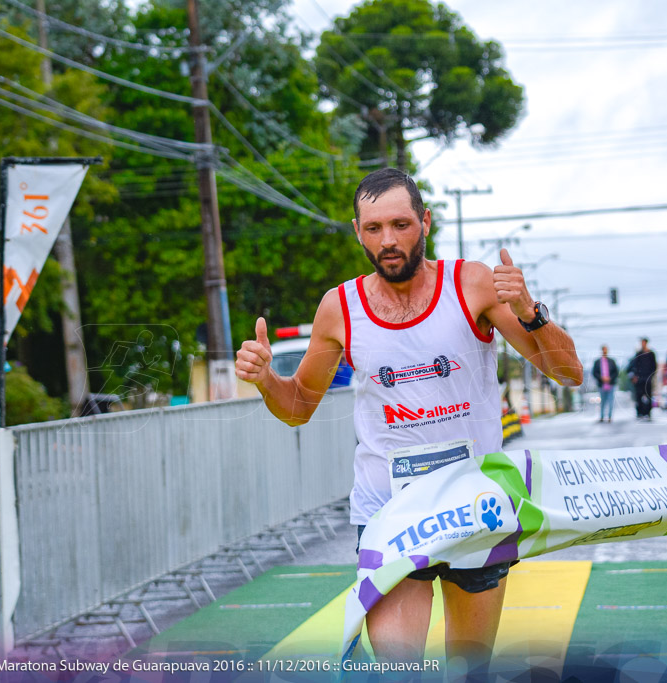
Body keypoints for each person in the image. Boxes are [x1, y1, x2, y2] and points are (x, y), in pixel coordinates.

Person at [234, 168, 583, 673]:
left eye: (400, 224)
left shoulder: (472, 284)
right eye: (373, 228)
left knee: (469, 669)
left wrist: (530, 311)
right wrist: (267, 379)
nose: (388, 240)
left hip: (475, 506)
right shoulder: (340, 307)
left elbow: (568, 371)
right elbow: (297, 408)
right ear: (357, 231)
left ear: (425, 222)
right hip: (389, 513)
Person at [627, 337, 657, 420]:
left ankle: (648, 413)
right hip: (639, 379)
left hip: (648, 379)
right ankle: (639, 412)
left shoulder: (651, 354)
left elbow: (654, 367)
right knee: (639, 396)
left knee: (648, 396)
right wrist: (634, 377)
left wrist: (651, 376)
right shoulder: (638, 354)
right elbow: (634, 366)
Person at [592, 345, 618, 423]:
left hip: (611, 384)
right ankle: (602, 416)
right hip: (601, 384)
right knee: (603, 401)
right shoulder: (597, 362)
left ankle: (609, 416)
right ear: (602, 351)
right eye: (604, 350)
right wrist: (601, 378)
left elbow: (616, 372)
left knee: (610, 401)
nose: (605, 351)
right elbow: (594, 372)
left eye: (606, 350)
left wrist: (610, 378)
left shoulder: (612, 361)